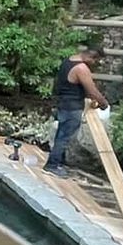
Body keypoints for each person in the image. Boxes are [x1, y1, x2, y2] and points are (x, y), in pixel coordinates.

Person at [44, 43, 108, 175]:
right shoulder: (81, 68)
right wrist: (103, 103)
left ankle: (57, 162)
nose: (94, 63)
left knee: (61, 134)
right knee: (65, 136)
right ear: (91, 56)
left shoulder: (68, 60)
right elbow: (92, 91)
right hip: (72, 107)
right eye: (95, 60)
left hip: (63, 103)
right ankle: (52, 165)